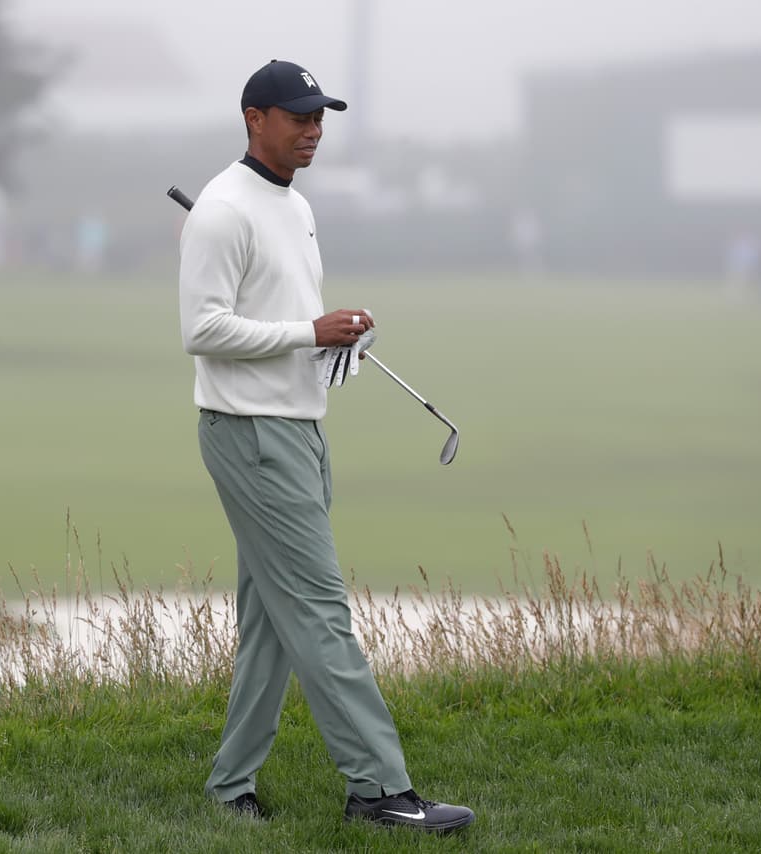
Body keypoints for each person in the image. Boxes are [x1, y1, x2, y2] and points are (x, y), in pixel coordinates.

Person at [177, 59, 475, 833]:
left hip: (298, 428)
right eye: (298, 116)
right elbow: (202, 331)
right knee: (317, 609)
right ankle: (379, 790)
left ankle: (228, 786)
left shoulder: (293, 204)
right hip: (249, 434)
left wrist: (338, 335)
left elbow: (279, 317)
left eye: (320, 118)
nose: (313, 130)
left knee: (276, 618)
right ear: (254, 118)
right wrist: (309, 332)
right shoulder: (220, 210)